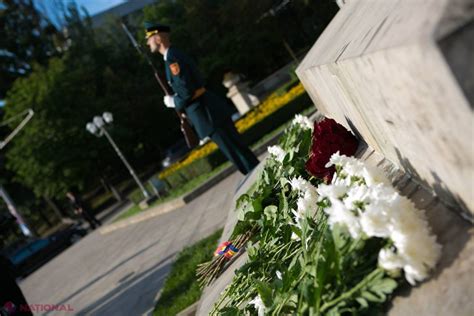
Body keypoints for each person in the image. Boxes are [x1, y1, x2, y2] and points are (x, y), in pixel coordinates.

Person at [144, 21, 259, 175]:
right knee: (238, 152)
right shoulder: (171, 57)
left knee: (238, 154)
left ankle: (263, 184)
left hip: (208, 114)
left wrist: (173, 102)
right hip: (208, 113)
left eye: (149, 38)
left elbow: (186, 91)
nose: (147, 42)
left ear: (158, 38)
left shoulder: (172, 58)